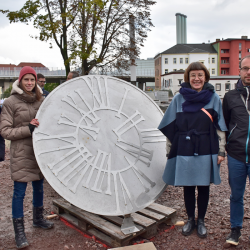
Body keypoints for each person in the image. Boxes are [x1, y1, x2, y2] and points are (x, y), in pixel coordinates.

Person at [158, 62, 227, 238]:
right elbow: (170, 126)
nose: (196, 79)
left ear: (206, 77)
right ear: (188, 78)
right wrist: (169, 150)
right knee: (188, 186)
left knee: (203, 185)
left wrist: (221, 151)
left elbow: (220, 127)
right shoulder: (178, 98)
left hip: (207, 145)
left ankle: (201, 220)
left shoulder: (214, 98)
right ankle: (190, 220)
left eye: (200, 75)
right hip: (185, 147)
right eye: (193, 75)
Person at [0, 66, 54, 249]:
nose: (30, 83)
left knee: (39, 188)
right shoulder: (10, 102)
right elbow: (5, 131)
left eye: (32, 80)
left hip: (39, 152)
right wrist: (28, 129)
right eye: (26, 80)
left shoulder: (42, 101)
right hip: (22, 153)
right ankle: (19, 232)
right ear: (20, 81)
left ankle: (38, 219)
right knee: (19, 193)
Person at [222, 55, 250, 246]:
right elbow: (224, 124)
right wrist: (224, 149)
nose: (249, 72)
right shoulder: (230, 96)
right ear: (239, 71)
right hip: (237, 155)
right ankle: (235, 230)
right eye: (245, 68)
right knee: (236, 195)